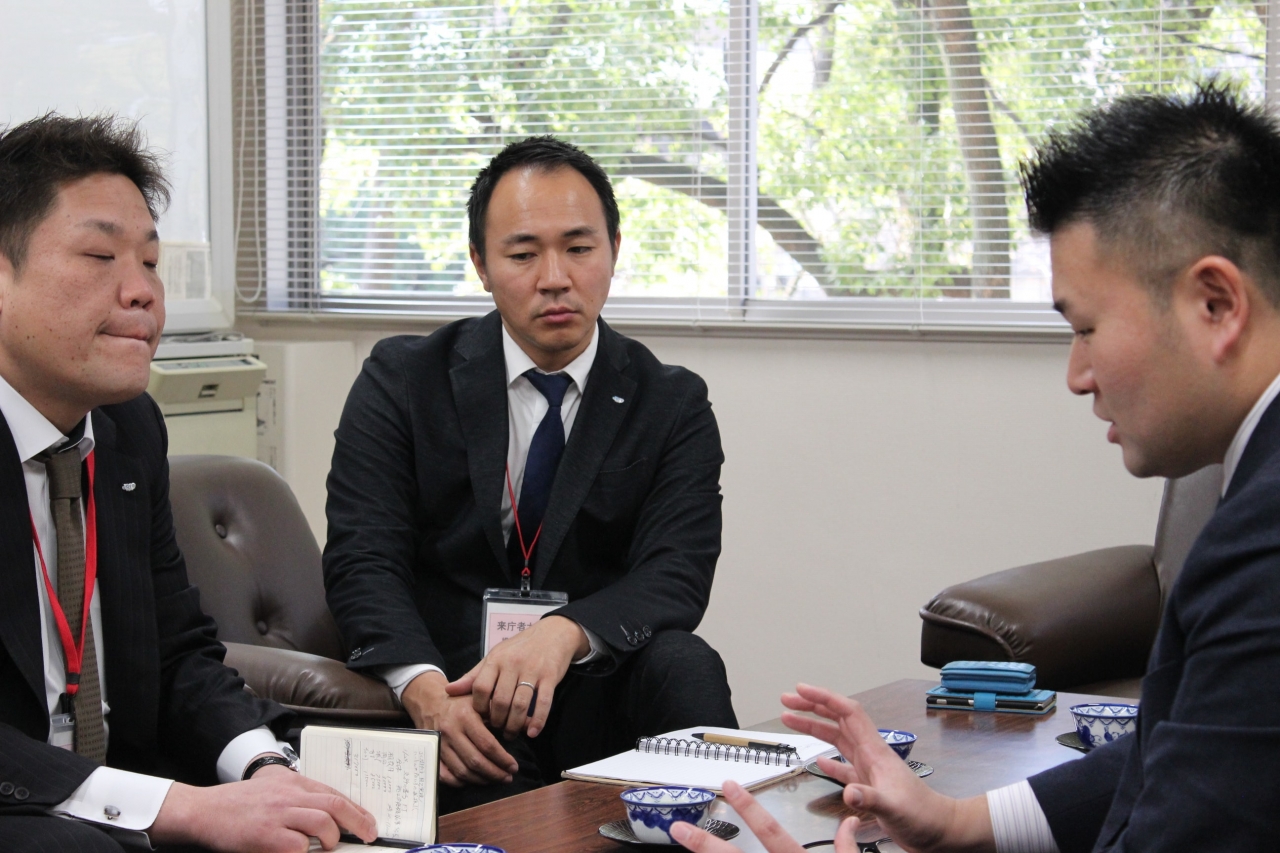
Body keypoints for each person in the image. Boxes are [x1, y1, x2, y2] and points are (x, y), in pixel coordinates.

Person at [671, 83, 1280, 853]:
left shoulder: (1264, 540)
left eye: (1087, 327)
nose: (1077, 375)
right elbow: (1186, 746)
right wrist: (959, 821)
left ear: (1216, 304)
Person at [323, 136, 738, 812]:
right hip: (458, 694)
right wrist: (423, 689)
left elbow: (677, 571)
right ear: (481, 265)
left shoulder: (670, 401)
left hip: (595, 684)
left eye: (579, 248)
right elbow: (362, 555)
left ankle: (720, 833)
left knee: (686, 663)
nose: (555, 277)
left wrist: (562, 632)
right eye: (522, 255)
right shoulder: (403, 380)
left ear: (614, 249)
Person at [0, 113, 377, 853]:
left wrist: (266, 768)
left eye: (150, 261)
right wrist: (178, 807)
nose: (142, 292)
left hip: (117, 798)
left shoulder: (128, 429)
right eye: (100, 255)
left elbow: (177, 651)